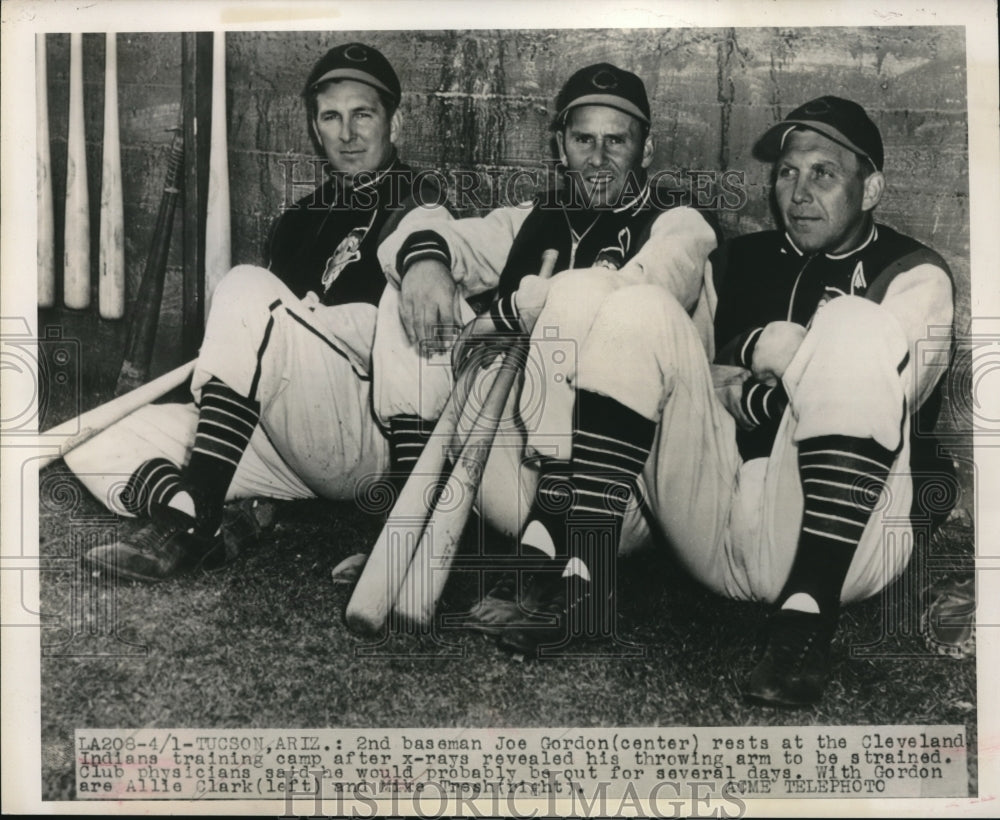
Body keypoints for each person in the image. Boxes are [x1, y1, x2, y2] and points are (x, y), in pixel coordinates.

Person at [481, 95, 954, 708]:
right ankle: (584, 580)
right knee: (637, 308)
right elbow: (681, 377)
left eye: (824, 173)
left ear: (871, 189)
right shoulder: (736, 261)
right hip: (715, 516)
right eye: (788, 172)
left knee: (855, 324)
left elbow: (885, 395)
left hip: (842, 533)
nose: (800, 191)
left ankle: (806, 624)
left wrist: (780, 362)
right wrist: (752, 367)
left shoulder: (915, 272)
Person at [70, 42, 445, 581]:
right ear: (316, 129)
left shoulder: (421, 203)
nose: (348, 133)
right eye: (331, 117)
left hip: (365, 437)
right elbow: (266, 346)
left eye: (363, 114)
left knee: (245, 286)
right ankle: (210, 512)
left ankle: (194, 520)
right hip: (286, 444)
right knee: (93, 437)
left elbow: (405, 344)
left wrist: (303, 316)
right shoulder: (296, 221)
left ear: (395, 122)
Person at [371, 62, 719, 546]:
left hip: (627, 486)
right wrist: (427, 261)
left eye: (616, 141)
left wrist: (510, 314)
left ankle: (549, 555)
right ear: (561, 147)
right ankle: (408, 519)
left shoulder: (678, 222)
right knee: (409, 286)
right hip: (529, 460)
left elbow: (636, 294)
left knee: (586, 294)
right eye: (583, 141)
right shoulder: (539, 216)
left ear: (647, 149)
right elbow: (446, 238)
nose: (598, 158)